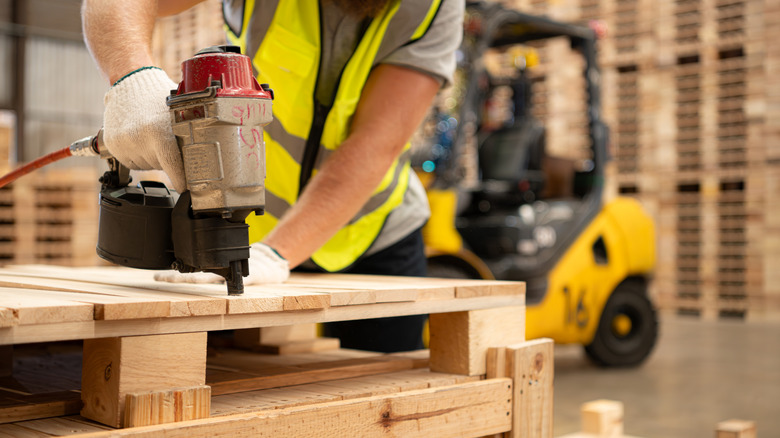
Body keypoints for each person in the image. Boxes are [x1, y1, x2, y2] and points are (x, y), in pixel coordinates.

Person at [81, 0, 464, 352]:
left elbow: (374, 145)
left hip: (371, 233)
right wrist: (134, 78)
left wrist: (277, 253)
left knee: (385, 397)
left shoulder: (435, 5)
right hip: (245, 230)